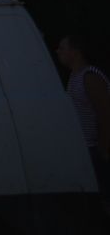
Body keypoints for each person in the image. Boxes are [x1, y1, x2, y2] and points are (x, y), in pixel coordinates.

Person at [57, 32, 110, 200]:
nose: (58, 51)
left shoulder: (90, 76)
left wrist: (104, 149)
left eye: (62, 48)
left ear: (76, 52)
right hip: (86, 150)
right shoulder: (75, 76)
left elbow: (105, 113)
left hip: (96, 150)